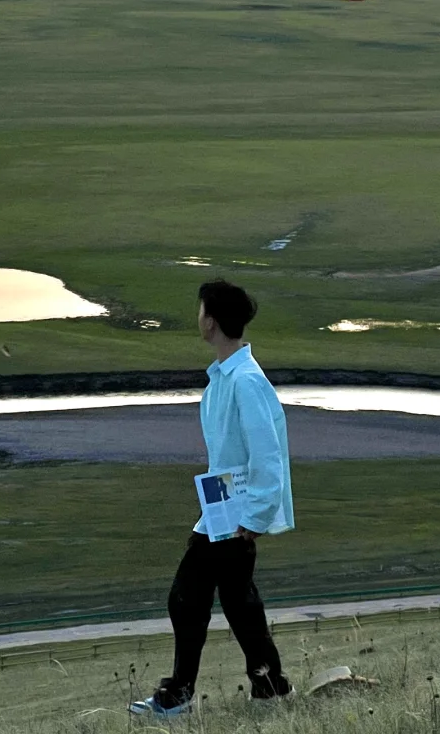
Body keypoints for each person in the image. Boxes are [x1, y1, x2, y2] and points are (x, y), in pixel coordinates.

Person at [130, 280, 295, 720]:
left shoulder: (245, 381)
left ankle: (179, 694)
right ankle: (270, 686)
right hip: (223, 507)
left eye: (201, 309)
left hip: (239, 512)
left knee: (186, 597)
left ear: (213, 320)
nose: (197, 316)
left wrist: (257, 515)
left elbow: (268, 454)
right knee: (239, 603)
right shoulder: (226, 375)